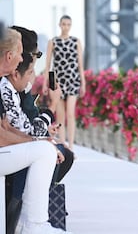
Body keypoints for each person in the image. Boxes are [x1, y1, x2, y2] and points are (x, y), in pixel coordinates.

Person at [0, 26, 73, 234]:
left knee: (47, 149)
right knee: (45, 152)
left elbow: (5, 128)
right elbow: (3, 134)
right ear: (10, 56)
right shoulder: (5, 87)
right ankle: (31, 224)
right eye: (21, 53)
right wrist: (38, 139)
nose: (23, 59)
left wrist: (38, 140)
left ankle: (31, 222)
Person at [43, 15, 86, 151]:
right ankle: (62, 145)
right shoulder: (53, 42)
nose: (66, 27)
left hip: (73, 79)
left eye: (68, 24)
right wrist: (47, 84)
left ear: (71, 26)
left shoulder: (76, 41)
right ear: (59, 25)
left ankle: (71, 147)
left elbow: (80, 64)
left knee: (71, 114)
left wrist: (83, 83)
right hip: (57, 81)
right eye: (63, 24)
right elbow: (48, 65)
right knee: (60, 114)